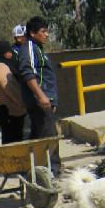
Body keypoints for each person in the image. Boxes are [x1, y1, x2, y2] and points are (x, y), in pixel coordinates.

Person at [15, 17, 60, 159]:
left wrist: (52, 100)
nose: (47, 35)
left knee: (39, 136)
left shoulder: (38, 49)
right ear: (32, 33)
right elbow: (28, 73)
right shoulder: (28, 48)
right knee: (49, 137)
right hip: (38, 102)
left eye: (47, 31)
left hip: (44, 101)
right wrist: (41, 96)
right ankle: (52, 170)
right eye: (43, 31)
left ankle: (36, 169)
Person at [0, 39, 27, 145]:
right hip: (10, 110)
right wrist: (23, 103)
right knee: (14, 142)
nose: (11, 53)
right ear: (2, 53)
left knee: (8, 139)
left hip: (0, 109)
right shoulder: (1, 67)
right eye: (8, 51)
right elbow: (10, 88)